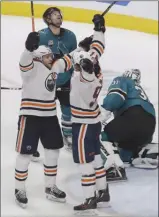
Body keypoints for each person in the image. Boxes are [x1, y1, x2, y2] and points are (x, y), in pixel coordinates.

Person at [14, 31, 73, 207]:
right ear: (39, 57)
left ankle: (50, 186)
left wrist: (86, 45)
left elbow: (69, 59)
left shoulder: (54, 67)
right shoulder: (31, 67)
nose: (51, 58)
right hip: (30, 116)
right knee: (25, 154)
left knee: (53, 152)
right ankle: (19, 188)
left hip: (49, 117)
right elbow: (24, 60)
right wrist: (28, 48)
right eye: (48, 56)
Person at [70, 14, 110, 213]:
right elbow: (97, 48)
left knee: (85, 162)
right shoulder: (94, 68)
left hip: (82, 124)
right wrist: (98, 30)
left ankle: (89, 198)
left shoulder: (82, 78)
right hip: (94, 121)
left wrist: (80, 51)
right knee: (95, 159)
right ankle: (103, 192)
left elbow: (74, 60)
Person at [32, 7, 77, 160]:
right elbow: (33, 59)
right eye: (55, 15)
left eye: (60, 14)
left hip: (65, 80)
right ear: (48, 19)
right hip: (47, 82)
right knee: (40, 113)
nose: (59, 17)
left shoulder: (70, 36)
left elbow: (74, 58)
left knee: (68, 110)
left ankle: (68, 136)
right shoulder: (41, 36)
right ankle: (31, 142)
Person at [100, 69, 156, 181]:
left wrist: (100, 114)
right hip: (149, 124)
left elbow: (115, 98)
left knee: (99, 133)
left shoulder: (122, 80)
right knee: (124, 154)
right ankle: (145, 151)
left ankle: (113, 167)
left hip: (132, 117)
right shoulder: (138, 90)